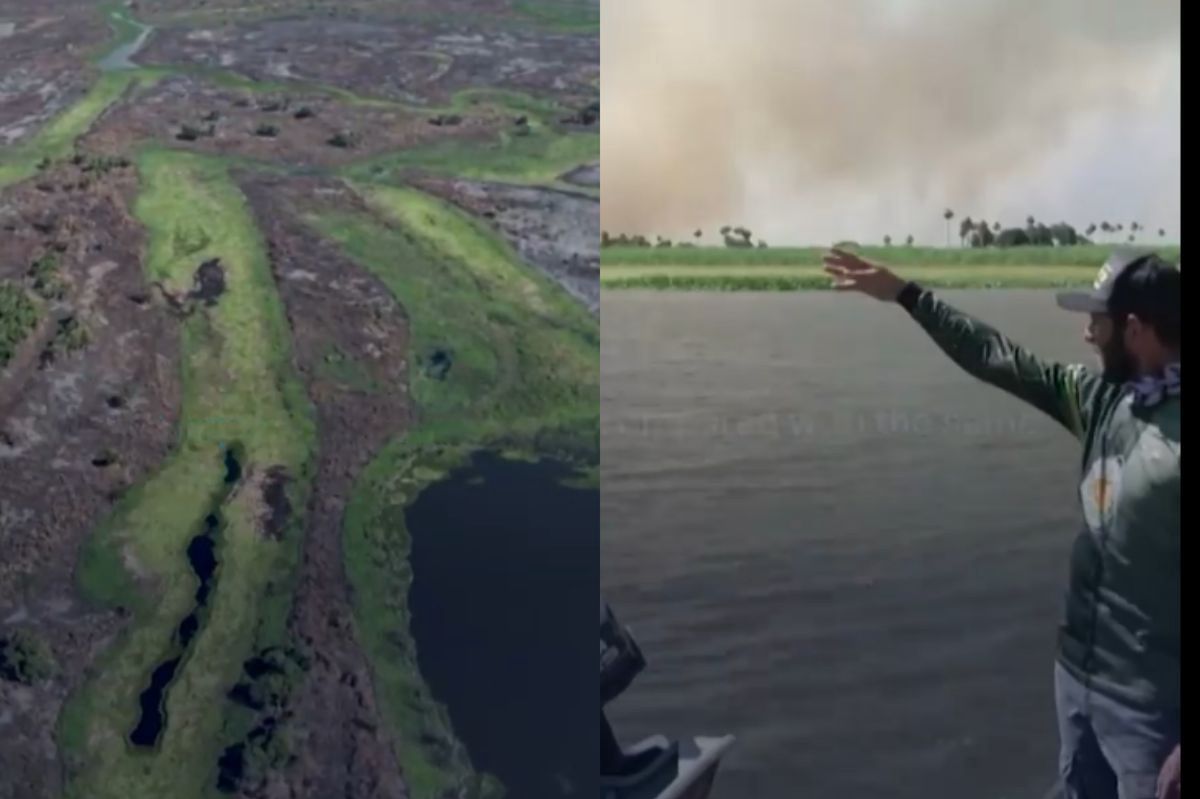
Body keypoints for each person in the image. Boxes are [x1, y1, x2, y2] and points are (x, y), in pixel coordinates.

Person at [823, 248, 1180, 799]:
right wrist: (909, 297)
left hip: (1151, 712)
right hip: (1078, 683)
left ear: (1134, 330)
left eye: (1098, 322)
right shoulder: (1101, 400)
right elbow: (1000, 358)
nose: (1087, 334)